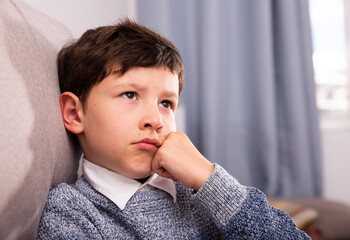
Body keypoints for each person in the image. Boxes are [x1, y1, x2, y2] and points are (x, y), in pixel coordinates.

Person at [37, 18, 310, 239]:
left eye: (166, 103)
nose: (155, 120)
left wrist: (208, 178)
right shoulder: (70, 212)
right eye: (130, 95)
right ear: (74, 113)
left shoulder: (201, 193)